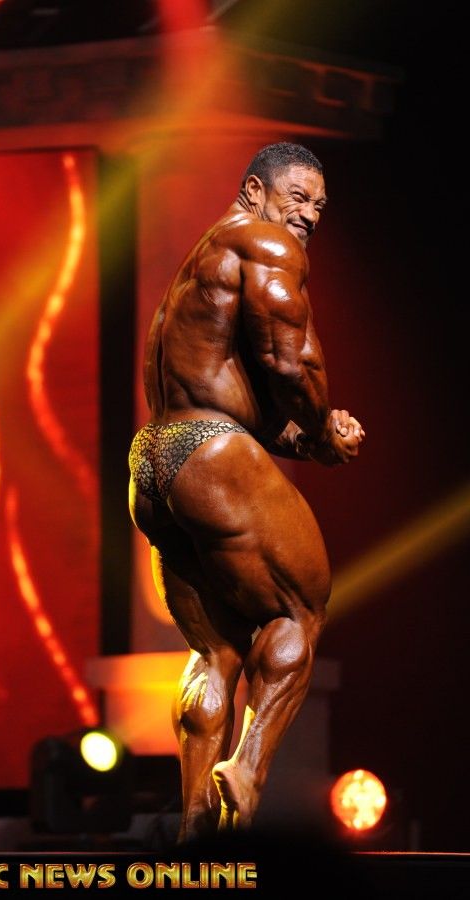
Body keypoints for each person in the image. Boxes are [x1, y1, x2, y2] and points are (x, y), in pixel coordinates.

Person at [128, 142, 364, 841]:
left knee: (217, 651)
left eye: (320, 205)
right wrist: (322, 425)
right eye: (298, 197)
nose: (309, 215)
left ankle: (195, 825)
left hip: (152, 463)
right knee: (299, 609)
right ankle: (249, 768)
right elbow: (291, 361)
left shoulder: (201, 265)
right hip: (209, 454)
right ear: (255, 191)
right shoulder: (264, 242)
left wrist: (310, 442)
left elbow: (242, 406)